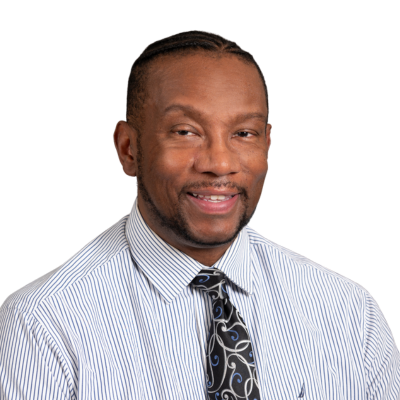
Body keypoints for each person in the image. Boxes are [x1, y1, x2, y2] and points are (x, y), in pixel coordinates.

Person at [1, 30, 399, 400]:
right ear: (127, 148)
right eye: (185, 132)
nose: (220, 163)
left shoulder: (350, 312)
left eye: (243, 133)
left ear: (268, 146)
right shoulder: (43, 323)